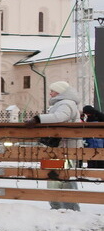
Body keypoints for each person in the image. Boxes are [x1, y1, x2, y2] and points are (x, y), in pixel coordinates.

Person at [25, 81, 82, 211]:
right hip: (60, 148)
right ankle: (61, 206)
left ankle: (67, 208)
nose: (50, 93)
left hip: (63, 148)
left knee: (62, 177)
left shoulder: (66, 103)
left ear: (59, 91)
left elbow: (59, 117)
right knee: (56, 176)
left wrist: (38, 119)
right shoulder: (63, 103)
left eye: (52, 91)